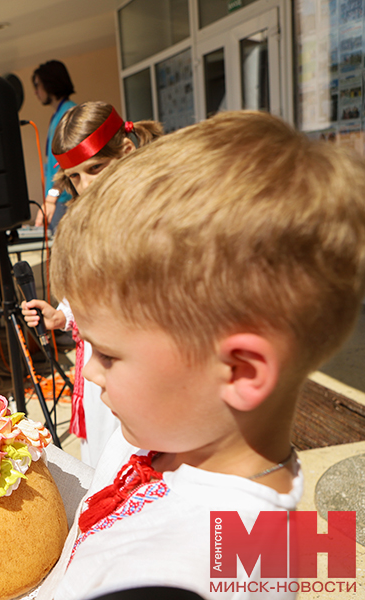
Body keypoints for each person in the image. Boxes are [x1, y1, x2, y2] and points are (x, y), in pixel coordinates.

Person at [40, 110, 365, 599]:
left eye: (108, 355)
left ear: (239, 371)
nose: (89, 370)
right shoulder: (175, 433)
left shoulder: (191, 575)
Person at [22, 102, 163, 468]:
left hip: (144, 375)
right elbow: (85, 294)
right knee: (104, 469)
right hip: (99, 374)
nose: (84, 186)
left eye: (94, 169)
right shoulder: (83, 224)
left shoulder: (159, 215)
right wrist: (61, 317)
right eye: (74, 177)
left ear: (126, 152)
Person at [31, 60, 76, 233]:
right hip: (58, 200)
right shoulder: (57, 115)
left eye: (37, 85)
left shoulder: (69, 113)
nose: (35, 91)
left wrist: (51, 198)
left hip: (64, 201)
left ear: (50, 83)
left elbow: (68, 162)